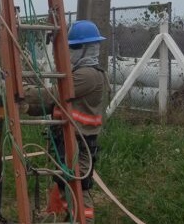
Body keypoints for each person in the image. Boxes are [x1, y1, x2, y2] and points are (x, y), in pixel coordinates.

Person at [46, 19, 108, 223]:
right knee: (65, 184)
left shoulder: (88, 75)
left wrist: (19, 90)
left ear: (85, 49)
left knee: (79, 188)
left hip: (80, 142)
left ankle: (83, 220)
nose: (70, 52)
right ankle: (69, 219)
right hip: (68, 138)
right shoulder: (78, 72)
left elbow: (54, 96)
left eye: (72, 47)